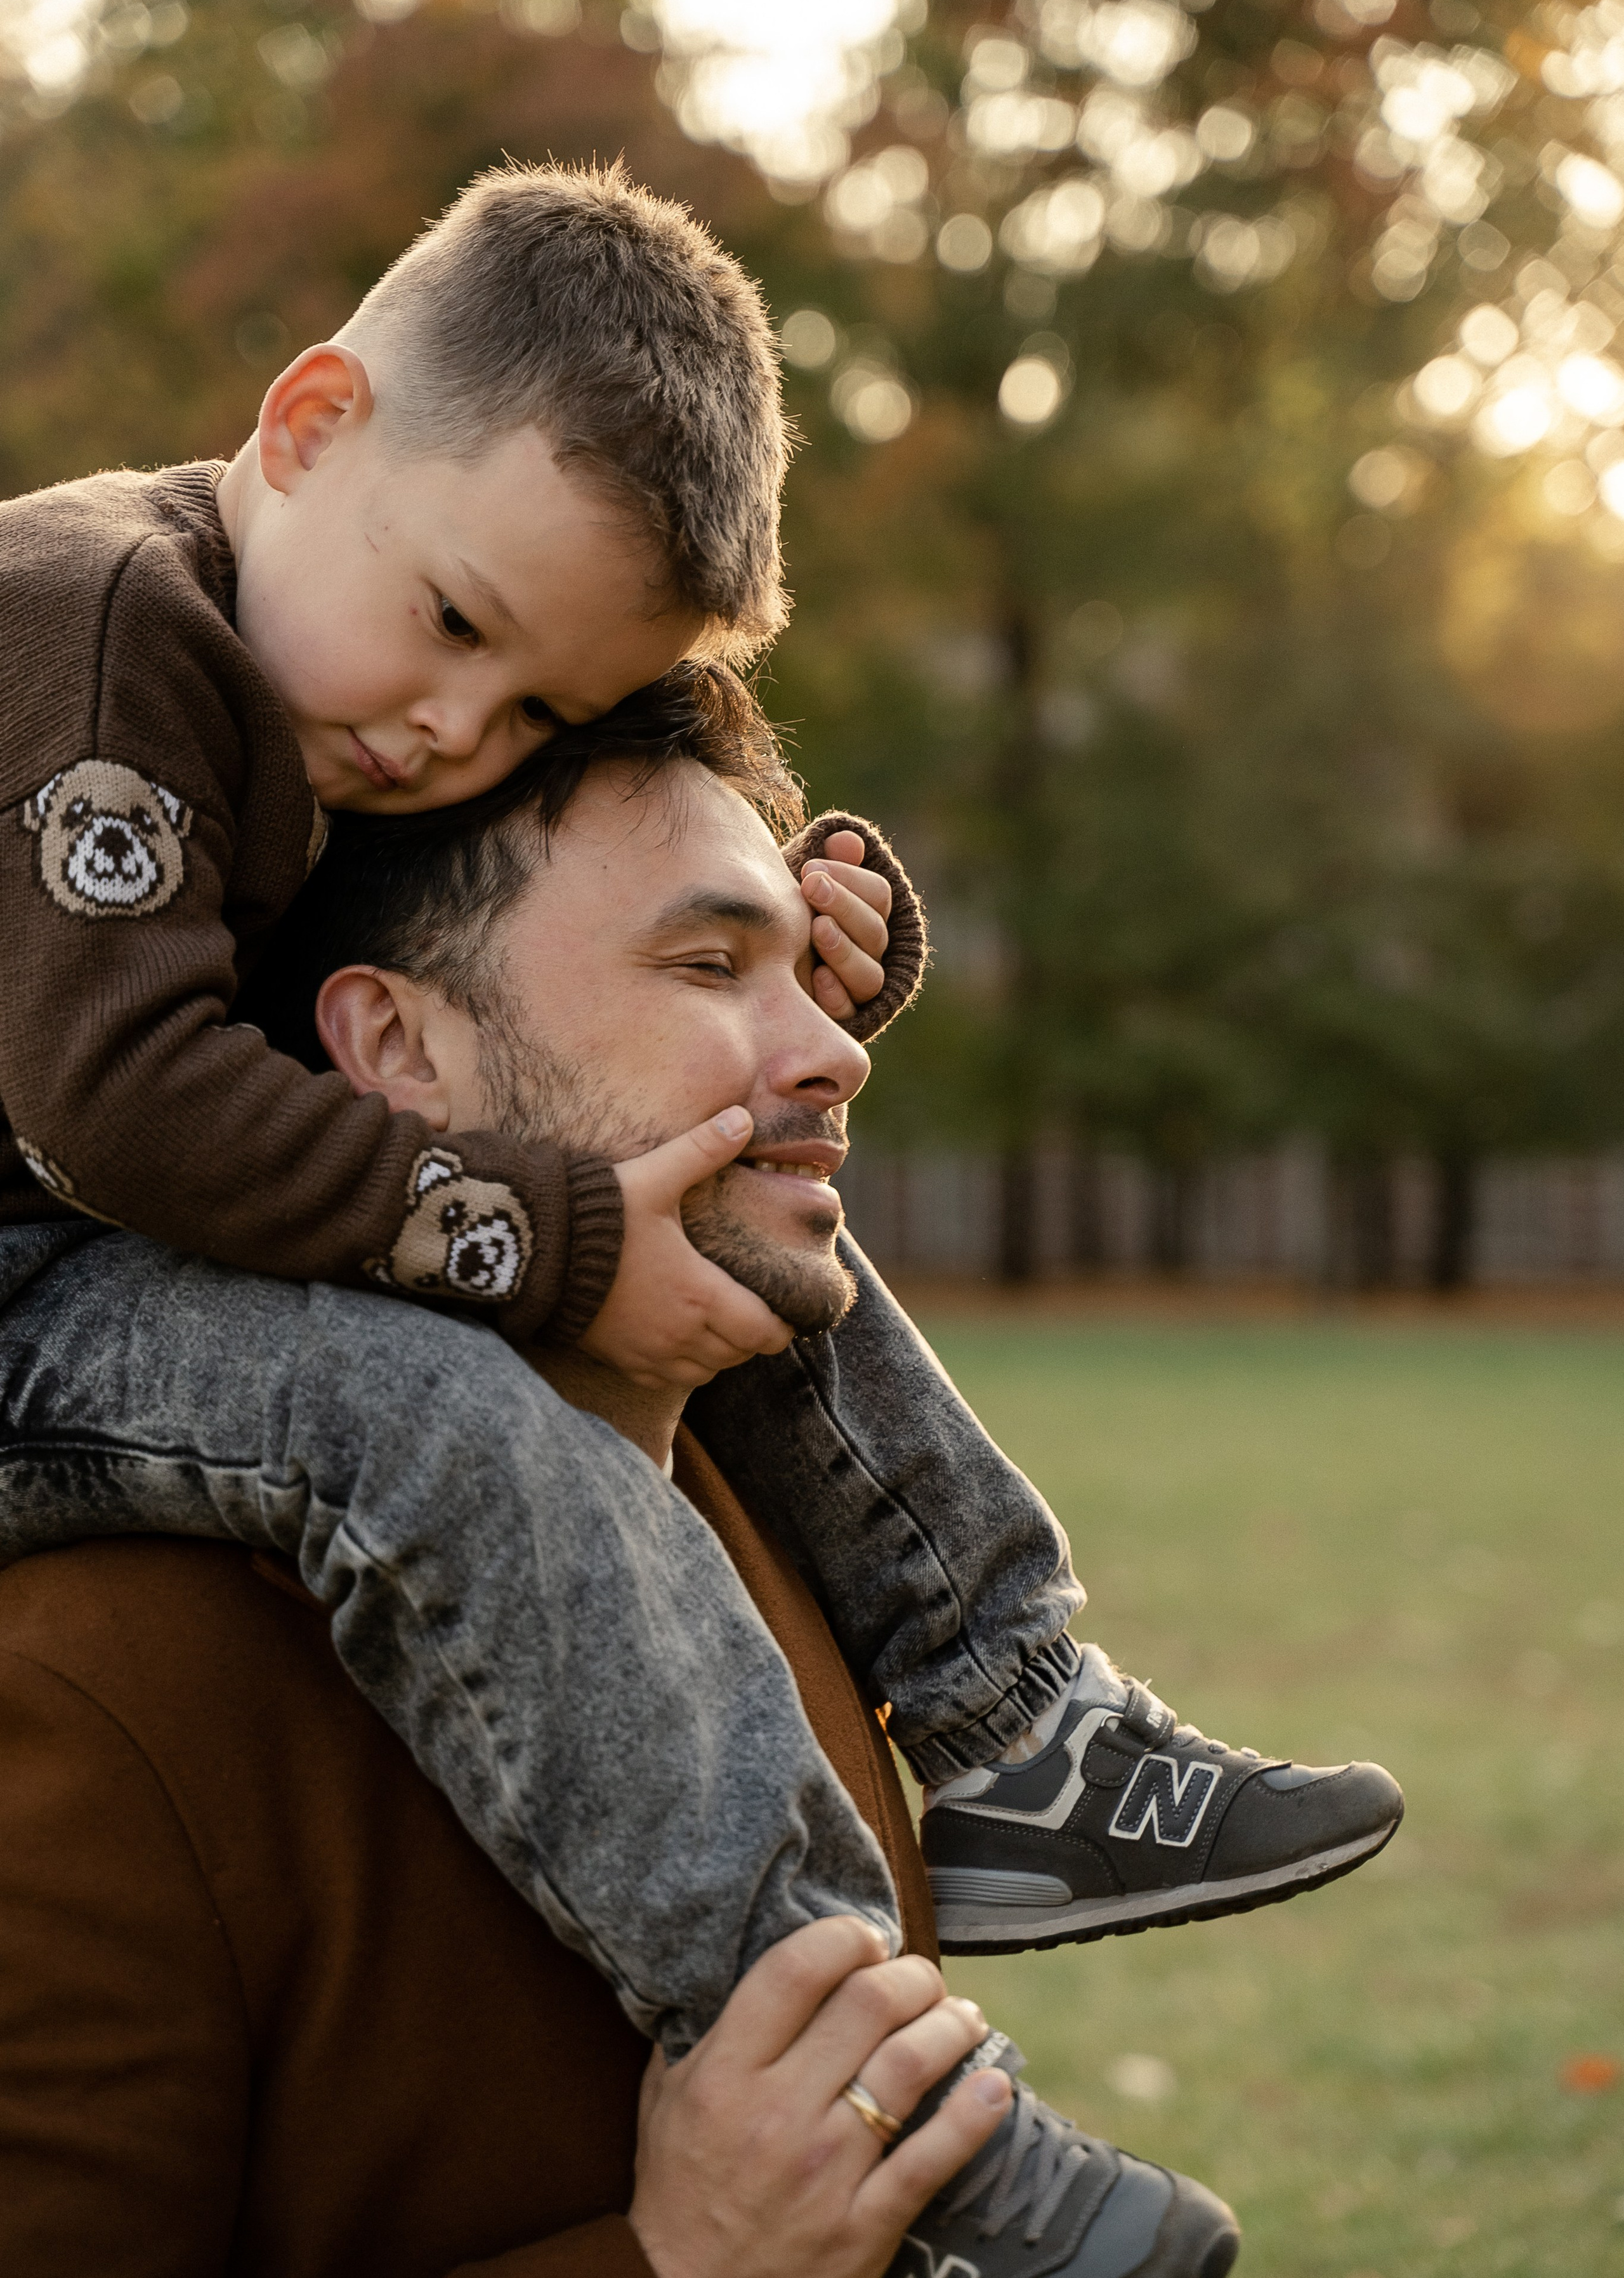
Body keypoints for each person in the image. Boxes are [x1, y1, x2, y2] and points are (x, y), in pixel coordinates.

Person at [0, 162, 1398, 2072]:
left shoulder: (337, 666)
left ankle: (1008, 1717)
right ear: (313, 424)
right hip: (30, 1275)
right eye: (458, 625)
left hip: (85, 1231)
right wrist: (554, 1234)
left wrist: (796, 945)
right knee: (445, 1374)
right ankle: (806, 2049)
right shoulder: (96, 624)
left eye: (534, 703)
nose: (457, 733)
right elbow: (126, 1101)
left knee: (716, 1178)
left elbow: (526, 947)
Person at [0, 717, 1243, 2278]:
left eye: (806, 965)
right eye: (711, 964)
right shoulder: (106, 1699)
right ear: (396, 1050)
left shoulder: (769, 1532)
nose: (835, 1050)